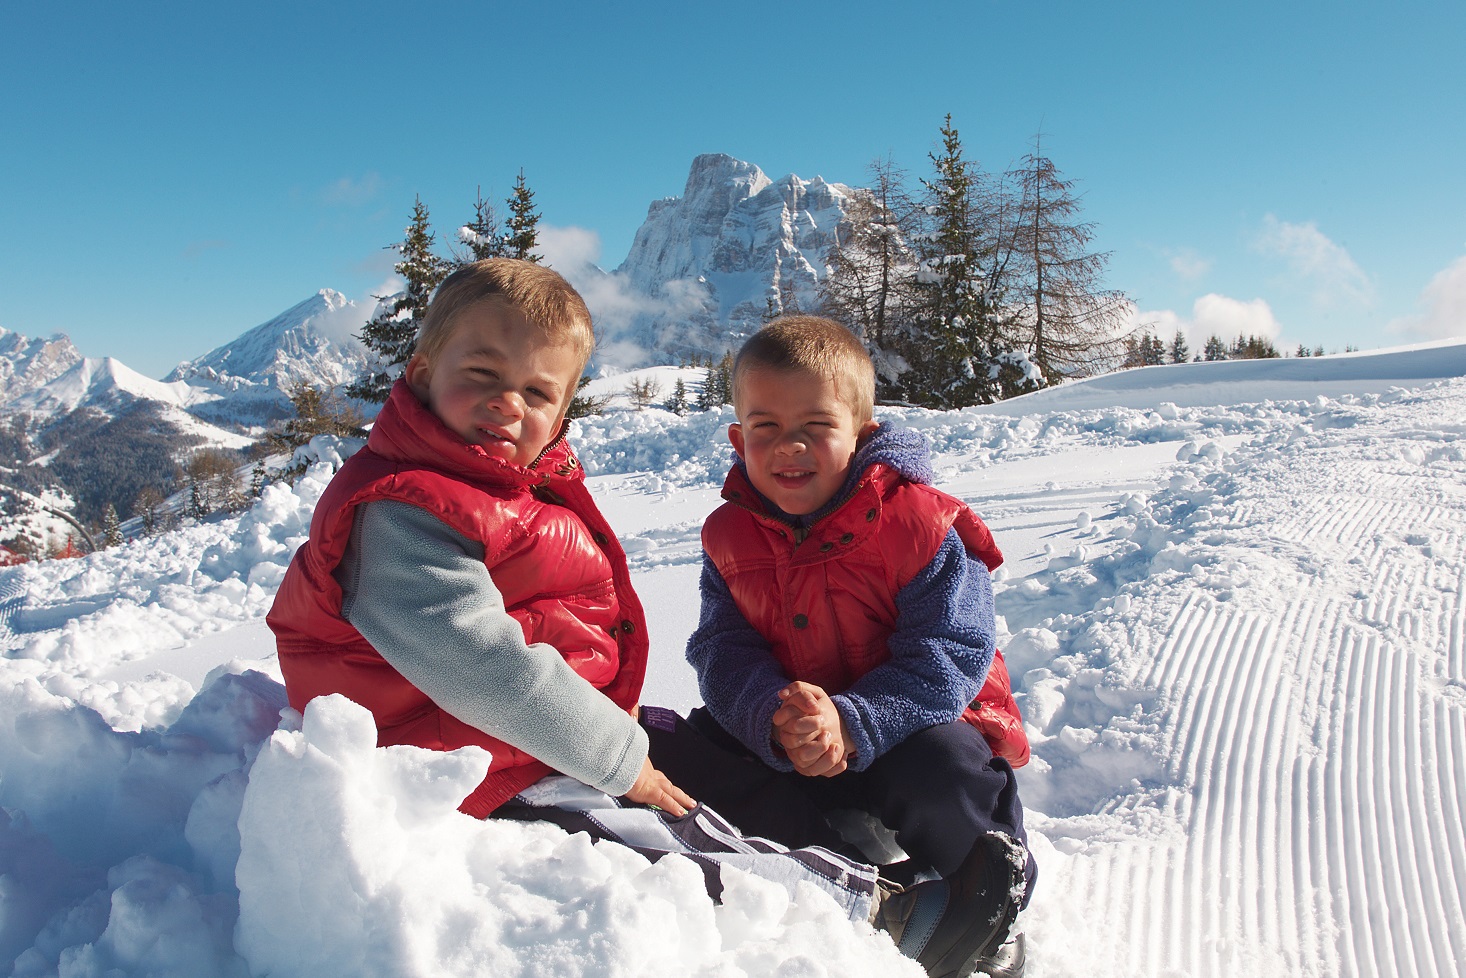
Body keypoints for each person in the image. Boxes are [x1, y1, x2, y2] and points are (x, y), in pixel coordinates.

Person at [266, 260, 993, 976]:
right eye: (481, 375)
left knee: (715, 774)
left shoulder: (493, 487)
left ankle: (838, 845)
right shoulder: (401, 509)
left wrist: (624, 740)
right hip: (473, 762)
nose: (506, 404)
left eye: (536, 391)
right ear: (423, 372)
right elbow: (480, 663)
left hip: (550, 731)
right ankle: (875, 916)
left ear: (562, 410)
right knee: (673, 849)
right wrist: (619, 759)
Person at [670, 315, 1037, 977]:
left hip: (910, 725)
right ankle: (834, 874)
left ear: (862, 434)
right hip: (800, 742)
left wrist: (852, 721)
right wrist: (774, 718)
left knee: (947, 768)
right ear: (738, 438)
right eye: (767, 428)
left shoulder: (921, 524)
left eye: (816, 428)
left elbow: (949, 653)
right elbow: (722, 648)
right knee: (689, 754)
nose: (791, 448)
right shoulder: (729, 537)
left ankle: (984, 900)